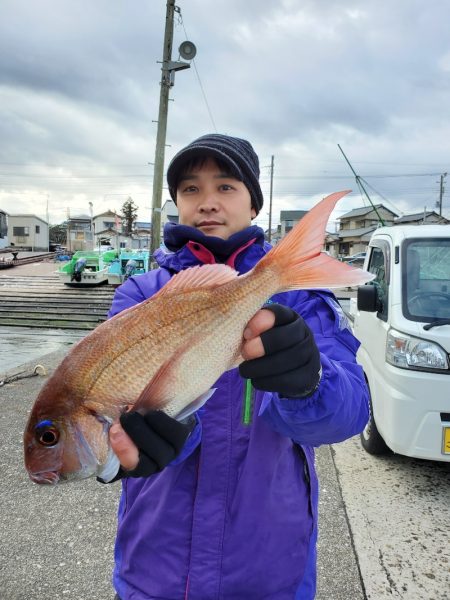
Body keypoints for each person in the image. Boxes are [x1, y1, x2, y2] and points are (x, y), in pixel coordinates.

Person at [102, 133, 369, 600]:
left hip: (269, 565)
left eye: (226, 187)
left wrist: (312, 380)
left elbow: (350, 414)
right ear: (177, 204)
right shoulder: (140, 296)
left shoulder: (299, 296)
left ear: (253, 205)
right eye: (190, 189)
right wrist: (120, 454)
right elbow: (112, 413)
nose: (207, 202)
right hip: (156, 564)